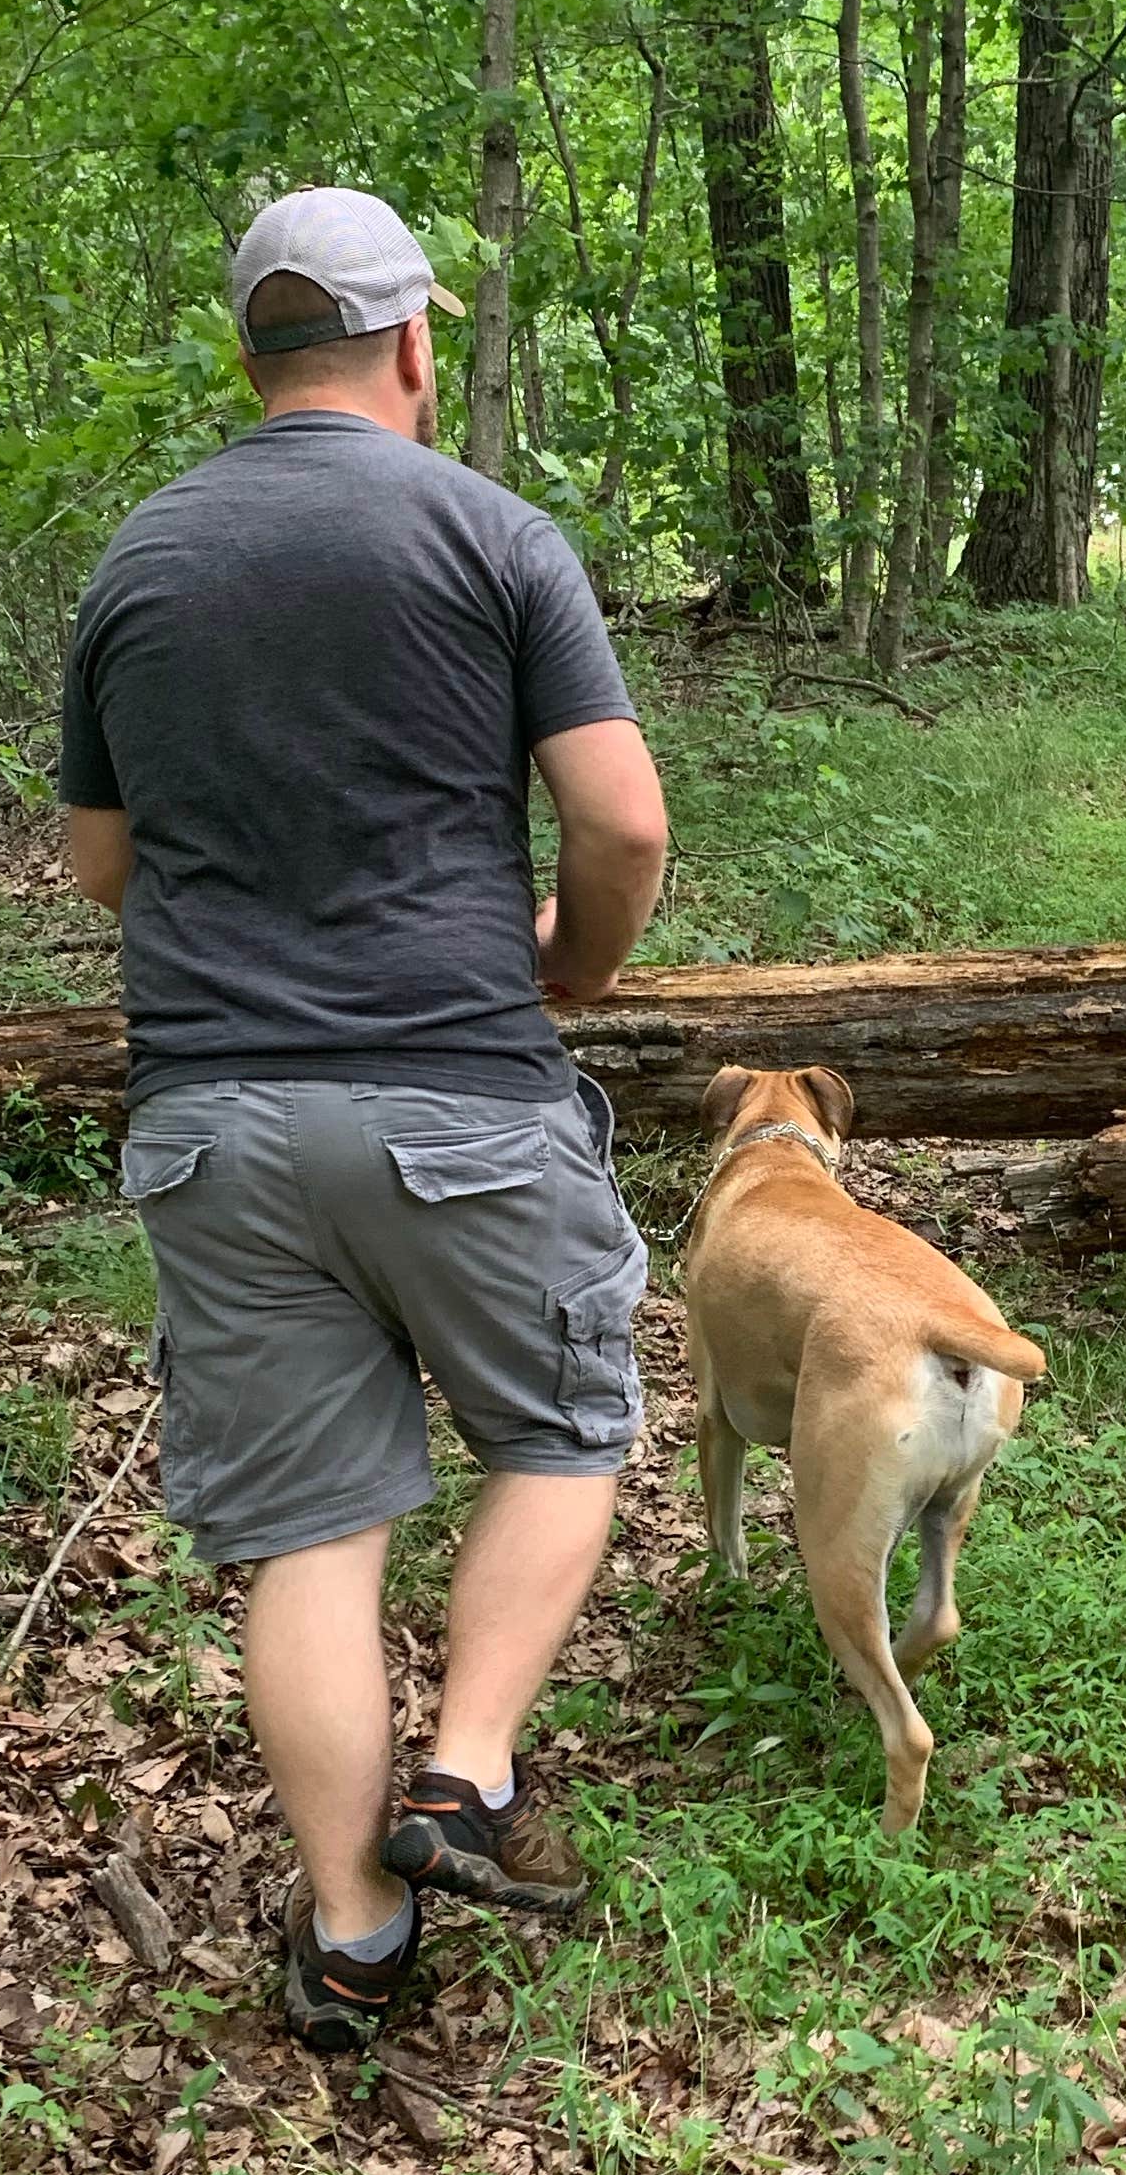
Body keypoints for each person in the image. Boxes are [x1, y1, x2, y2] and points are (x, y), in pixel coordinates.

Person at [59, 186, 670, 2056]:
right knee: (563, 1426)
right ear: (414, 342)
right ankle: (464, 1771)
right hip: (460, 1091)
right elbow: (622, 821)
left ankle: (351, 1937)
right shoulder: (491, 535)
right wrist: (574, 963)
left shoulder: (140, 563)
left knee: (310, 1533)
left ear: (251, 352)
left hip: (213, 1121)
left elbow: (102, 864)